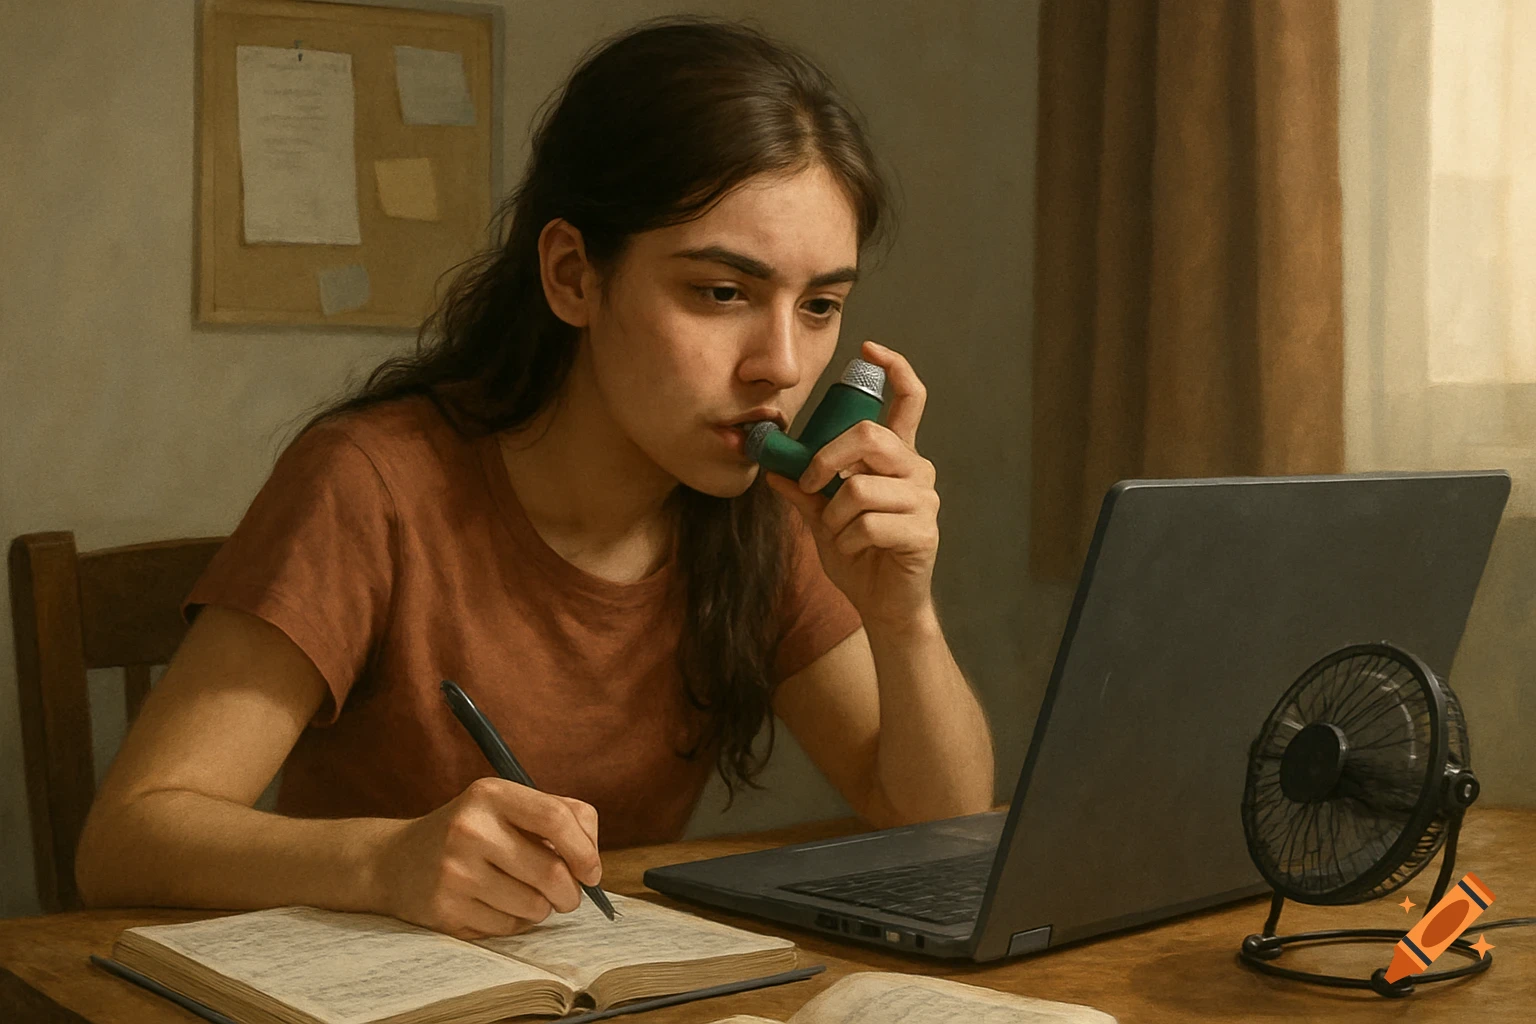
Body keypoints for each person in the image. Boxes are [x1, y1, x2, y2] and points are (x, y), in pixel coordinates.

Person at [74, 15, 994, 940]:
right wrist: (385, 860)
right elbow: (123, 841)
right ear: (571, 276)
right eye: (722, 293)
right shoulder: (370, 485)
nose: (783, 367)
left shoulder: (763, 513)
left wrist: (902, 613)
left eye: (822, 304)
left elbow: (937, 831)